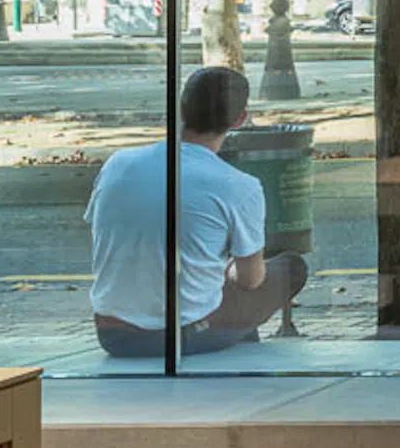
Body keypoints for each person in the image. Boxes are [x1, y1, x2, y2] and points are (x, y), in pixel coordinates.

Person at [86, 64, 306, 358]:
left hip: (112, 333)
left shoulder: (117, 164)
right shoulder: (239, 185)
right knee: (290, 267)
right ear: (240, 119)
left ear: (182, 112)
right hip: (181, 334)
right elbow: (251, 280)